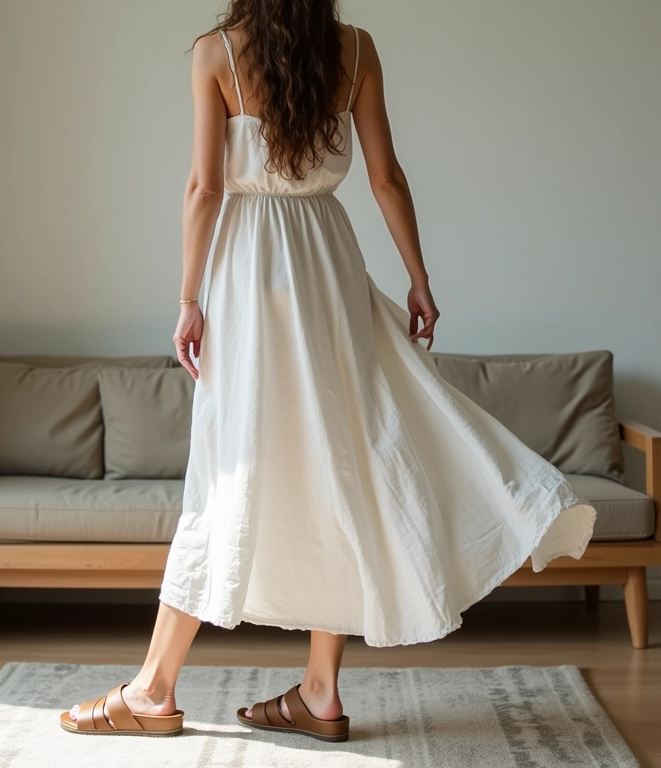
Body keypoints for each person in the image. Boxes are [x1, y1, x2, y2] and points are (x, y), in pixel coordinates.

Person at [60, 1, 597, 741]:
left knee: (229, 469)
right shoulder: (356, 48)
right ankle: (319, 690)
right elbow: (386, 178)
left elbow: (204, 189)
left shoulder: (216, 52)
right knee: (341, 459)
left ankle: (156, 688)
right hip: (328, 266)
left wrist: (188, 299)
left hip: (247, 276)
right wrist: (418, 278)